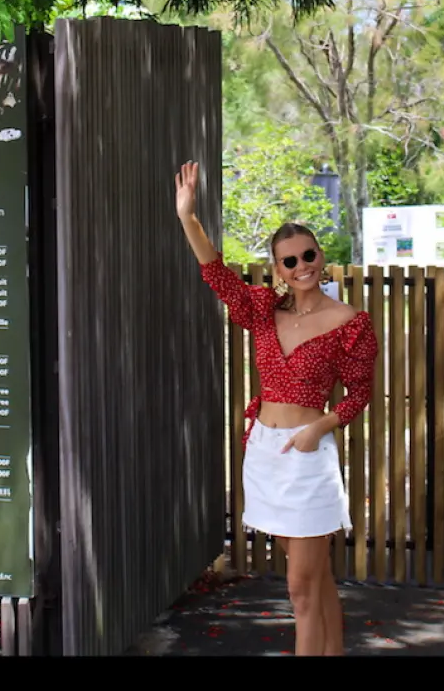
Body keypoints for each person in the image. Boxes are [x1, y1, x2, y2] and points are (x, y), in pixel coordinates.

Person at [173, 160, 376, 656]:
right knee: (316, 577)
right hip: (263, 452)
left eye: (308, 254)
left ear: (320, 255)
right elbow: (216, 275)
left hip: (308, 459)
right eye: (289, 260)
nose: (301, 265)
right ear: (277, 269)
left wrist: (319, 428)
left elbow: (359, 395)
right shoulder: (263, 311)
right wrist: (188, 217)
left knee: (300, 590)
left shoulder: (350, 321)